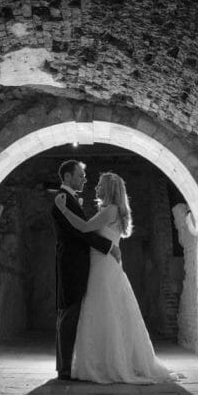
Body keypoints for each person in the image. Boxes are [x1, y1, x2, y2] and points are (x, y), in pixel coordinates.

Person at [55, 171, 182, 384]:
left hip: (103, 266)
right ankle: (106, 360)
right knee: (108, 310)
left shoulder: (110, 210)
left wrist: (64, 210)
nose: (96, 188)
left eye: (100, 185)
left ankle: (105, 363)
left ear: (110, 189)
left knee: (101, 309)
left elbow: (85, 228)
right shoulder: (112, 210)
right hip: (105, 263)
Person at [51, 160, 122, 381]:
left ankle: (67, 366)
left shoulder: (69, 200)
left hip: (80, 263)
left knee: (71, 314)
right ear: (68, 177)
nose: (85, 179)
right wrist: (109, 247)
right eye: (80, 175)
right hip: (73, 264)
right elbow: (81, 232)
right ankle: (64, 369)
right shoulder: (63, 201)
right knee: (69, 313)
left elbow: (83, 229)